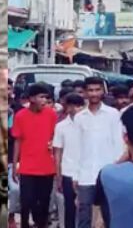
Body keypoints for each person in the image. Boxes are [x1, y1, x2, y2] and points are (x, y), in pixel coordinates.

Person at [72, 77, 124, 228]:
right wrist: (75, 175)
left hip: (108, 173)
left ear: (103, 91)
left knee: (109, 215)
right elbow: (76, 148)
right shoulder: (80, 117)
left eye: (97, 90)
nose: (94, 93)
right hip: (85, 175)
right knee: (84, 217)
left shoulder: (113, 114)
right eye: (90, 90)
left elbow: (118, 145)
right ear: (85, 93)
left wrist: (117, 171)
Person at [12, 83, 58, 228]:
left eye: (46, 97)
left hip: (47, 166)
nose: (44, 101)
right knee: (26, 201)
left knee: (44, 201)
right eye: (41, 97)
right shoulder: (20, 116)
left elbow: (55, 136)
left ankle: (41, 224)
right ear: (31, 98)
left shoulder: (51, 114)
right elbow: (17, 141)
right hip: (27, 166)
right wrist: (15, 165)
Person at [53, 93, 84, 228]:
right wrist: (58, 175)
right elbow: (58, 152)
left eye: (80, 106)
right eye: (75, 106)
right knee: (69, 206)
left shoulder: (89, 125)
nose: (78, 109)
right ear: (69, 107)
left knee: (86, 207)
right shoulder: (61, 126)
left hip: (86, 172)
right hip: (67, 171)